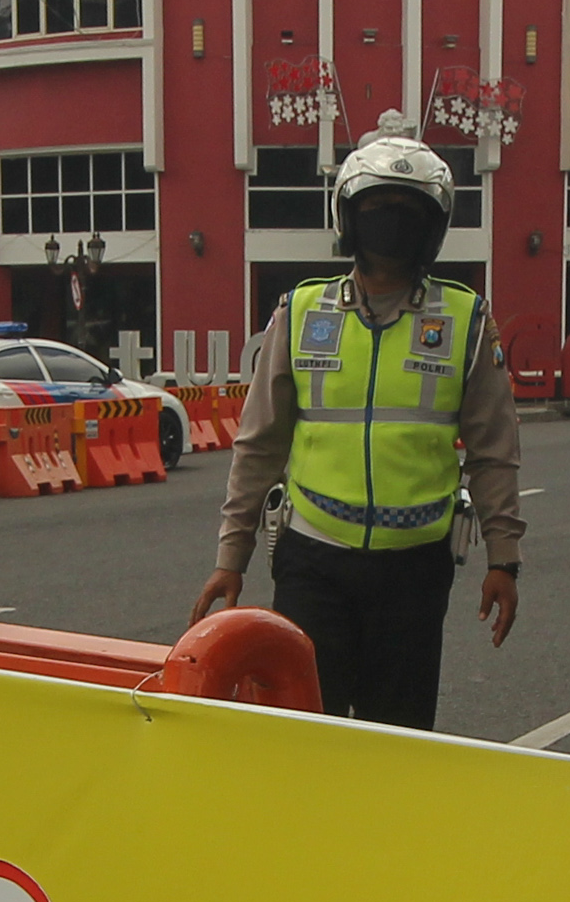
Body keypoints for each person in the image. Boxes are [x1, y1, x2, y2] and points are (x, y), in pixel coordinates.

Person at [191, 116, 521, 726]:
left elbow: (493, 450)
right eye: (377, 206)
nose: (391, 221)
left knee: (395, 739)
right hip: (313, 559)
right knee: (304, 728)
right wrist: (229, 557)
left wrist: (504, 558)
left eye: (409, 209)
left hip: (414, 569)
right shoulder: (302, 310)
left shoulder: (466, 321)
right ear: (349, 216)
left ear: (435, 226)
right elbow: (258, 445)